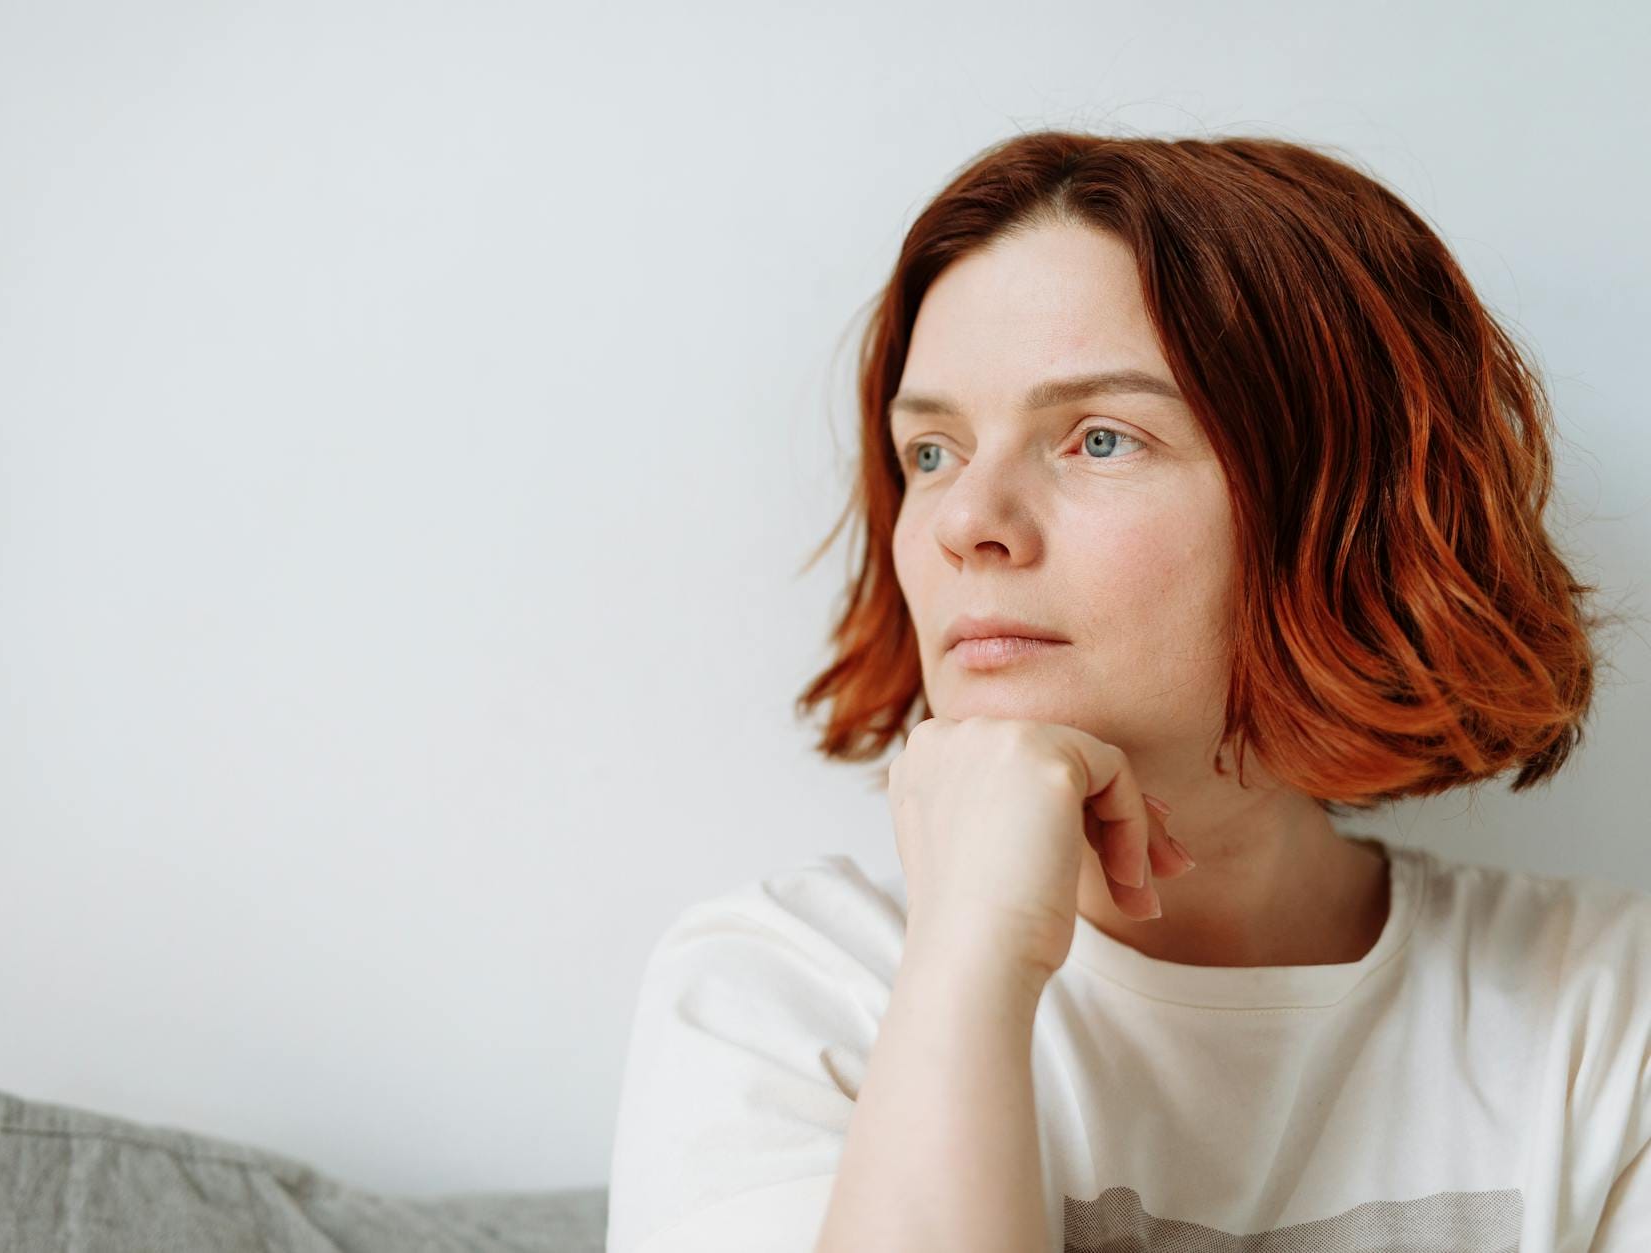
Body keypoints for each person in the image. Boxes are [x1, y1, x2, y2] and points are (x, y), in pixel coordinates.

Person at [603, 130, 1649, 1252]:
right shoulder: (777, 993)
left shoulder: (1601, 1009)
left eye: (1098, 438)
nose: (964, 523)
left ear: (1342, 510)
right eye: (931, 452)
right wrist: (971, 950)